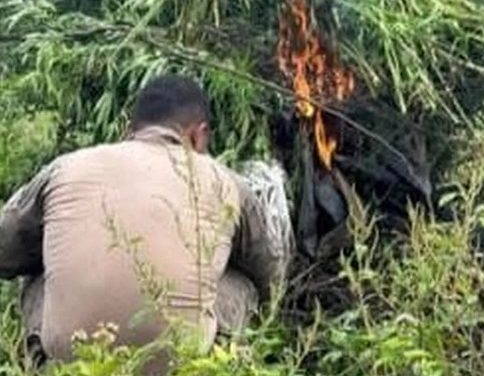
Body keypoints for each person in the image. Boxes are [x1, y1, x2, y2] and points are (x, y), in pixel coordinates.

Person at [0, 74, 292, 370]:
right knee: (243, 284)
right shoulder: (228, 182)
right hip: (181, 361)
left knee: (37, 278)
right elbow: (271, 274)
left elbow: (5, 252)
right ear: (199, 135)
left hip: (73, 362)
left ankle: (44, 364)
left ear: (129, 130)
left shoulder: (66, 167)